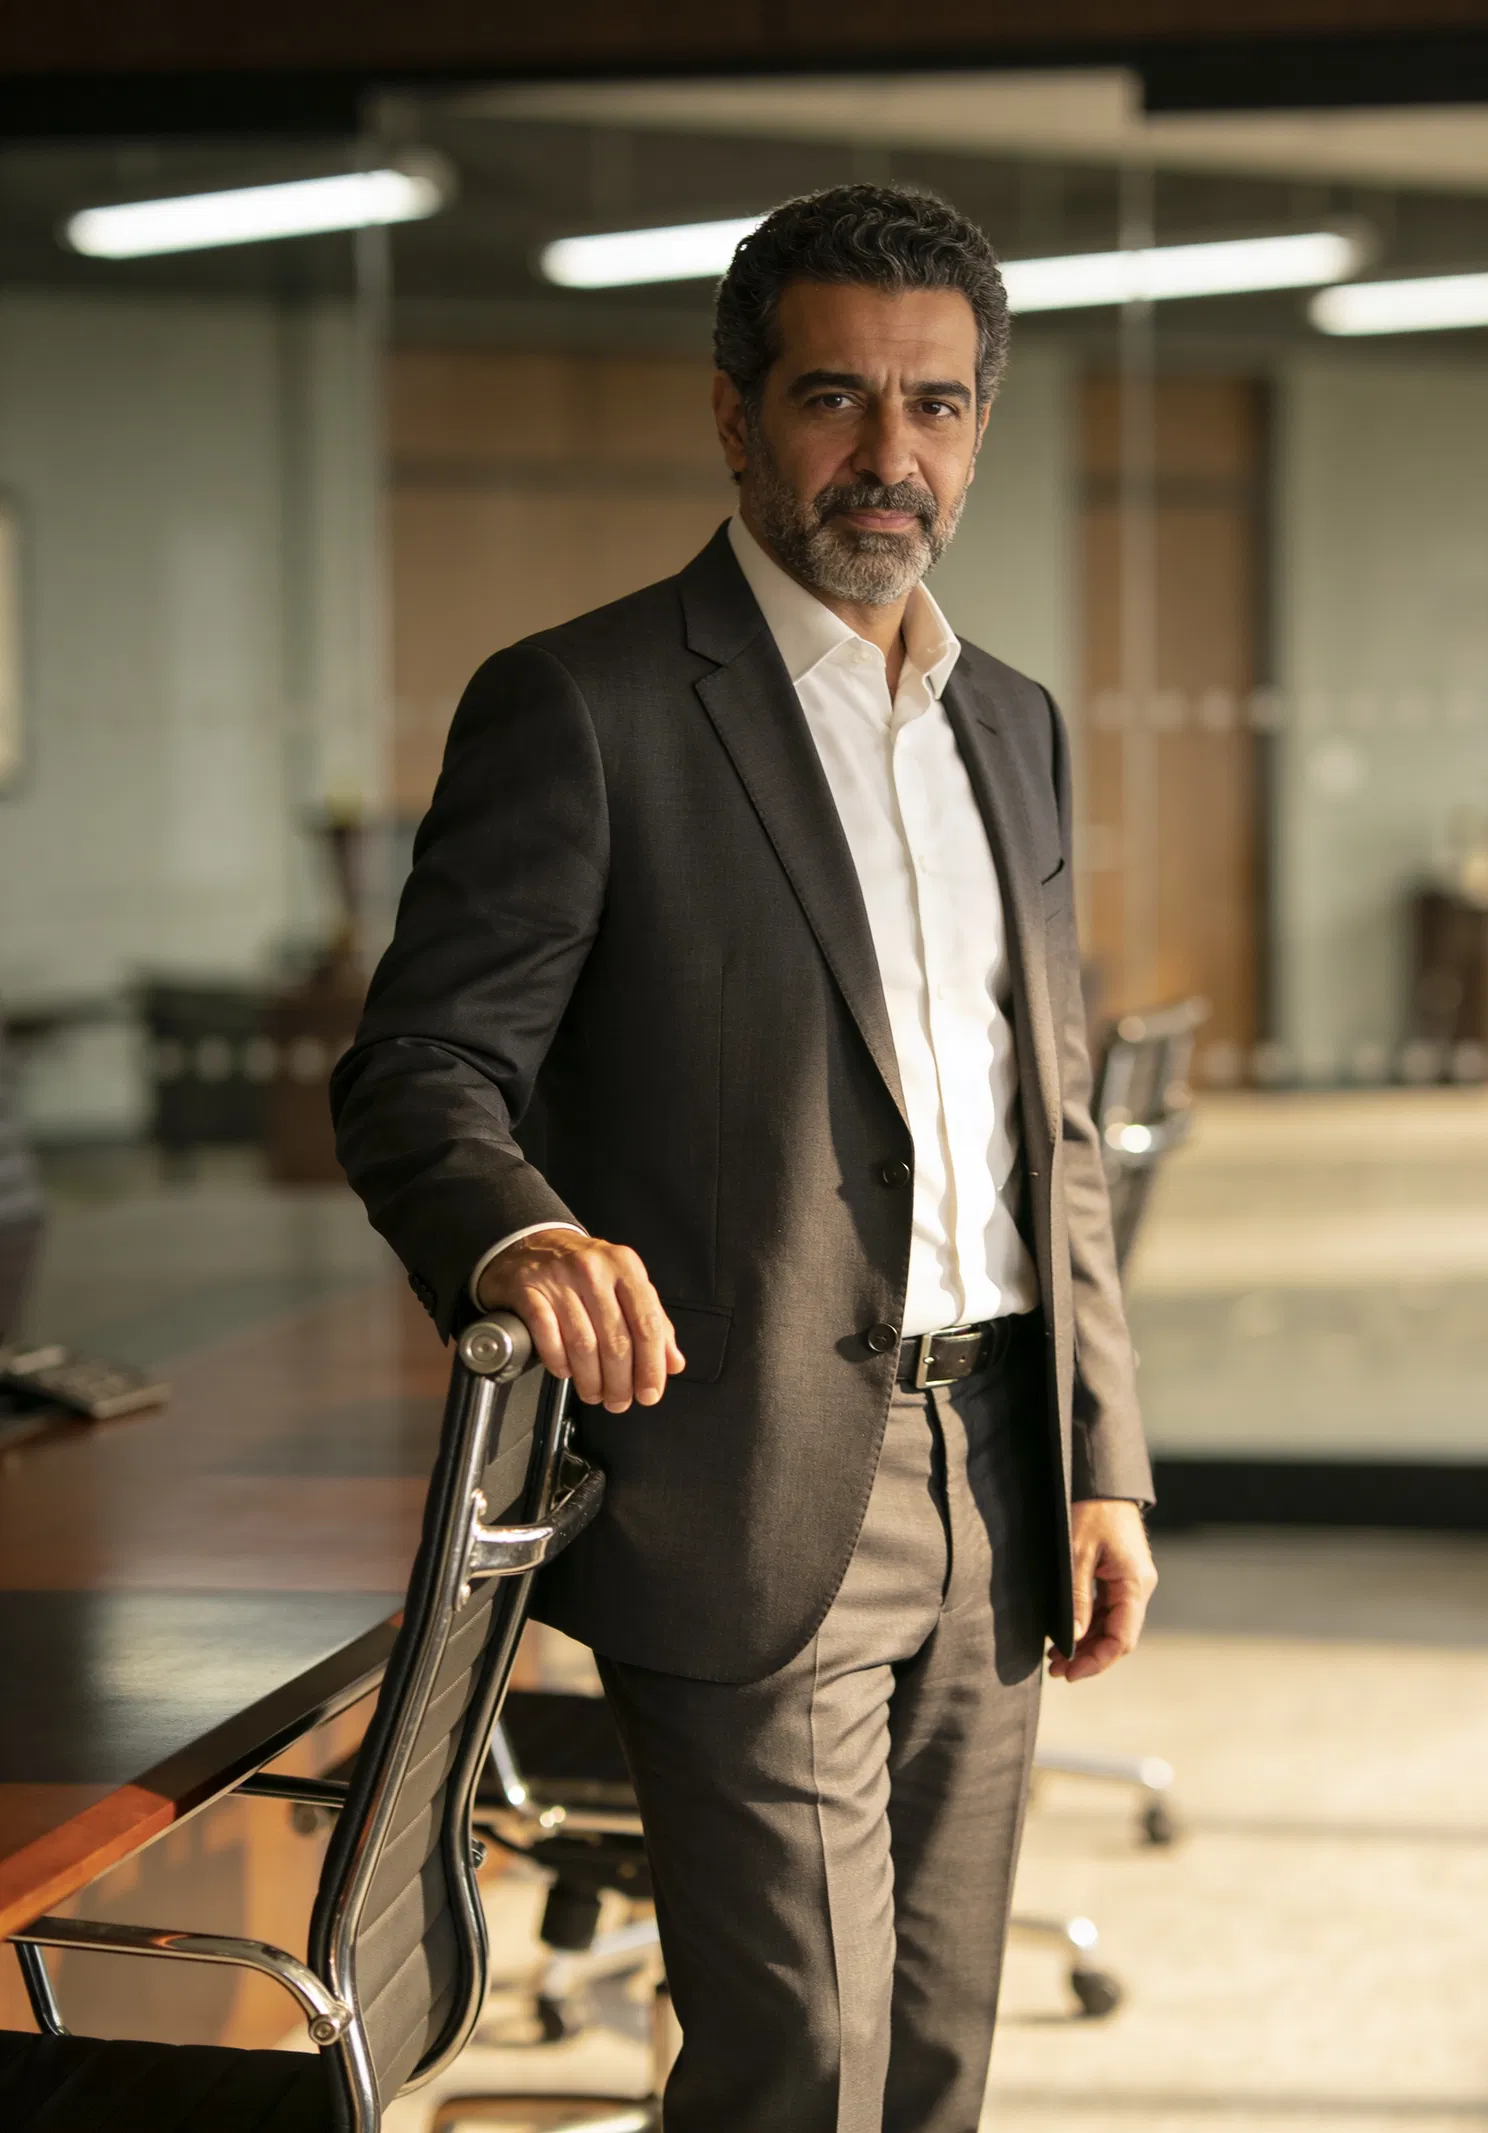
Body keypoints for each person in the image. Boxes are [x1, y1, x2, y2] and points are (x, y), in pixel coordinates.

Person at [332, 182, 1156, 2133]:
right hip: (756, 1467)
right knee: (805, 2066)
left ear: (981, 425)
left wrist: (1102, 1456)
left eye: (937, 408)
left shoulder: (1013, 727)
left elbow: (1048, 1126)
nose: (890, 458)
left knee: (938, 2060)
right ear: (730, 411)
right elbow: (422, 1064)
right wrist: (518, 1233)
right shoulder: (589, 707)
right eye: (835, 399)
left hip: (1002, 1476)